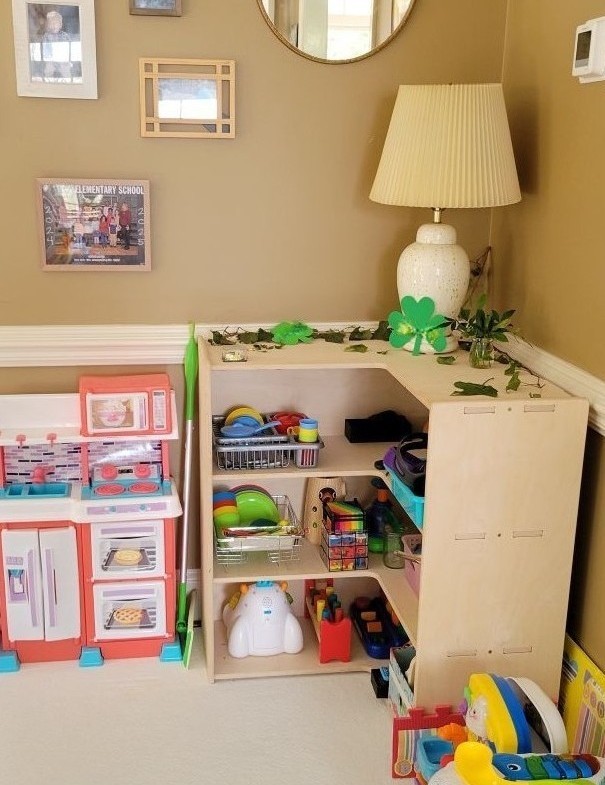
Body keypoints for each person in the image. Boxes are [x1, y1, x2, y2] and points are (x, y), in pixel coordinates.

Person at [40, 11, 72, 81]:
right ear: (48, 25)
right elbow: (44, 49)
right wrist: (48, 59)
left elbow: (69, 48)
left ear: (60, 25)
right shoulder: (46, 36)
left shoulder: (65, 36)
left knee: (66, 69)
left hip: (63, 59)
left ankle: (68, 82)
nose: (54, 25)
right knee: (48, 69)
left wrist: (67, 60)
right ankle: (48, 83)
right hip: (50, 59)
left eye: (56, 23)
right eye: (51, 23)